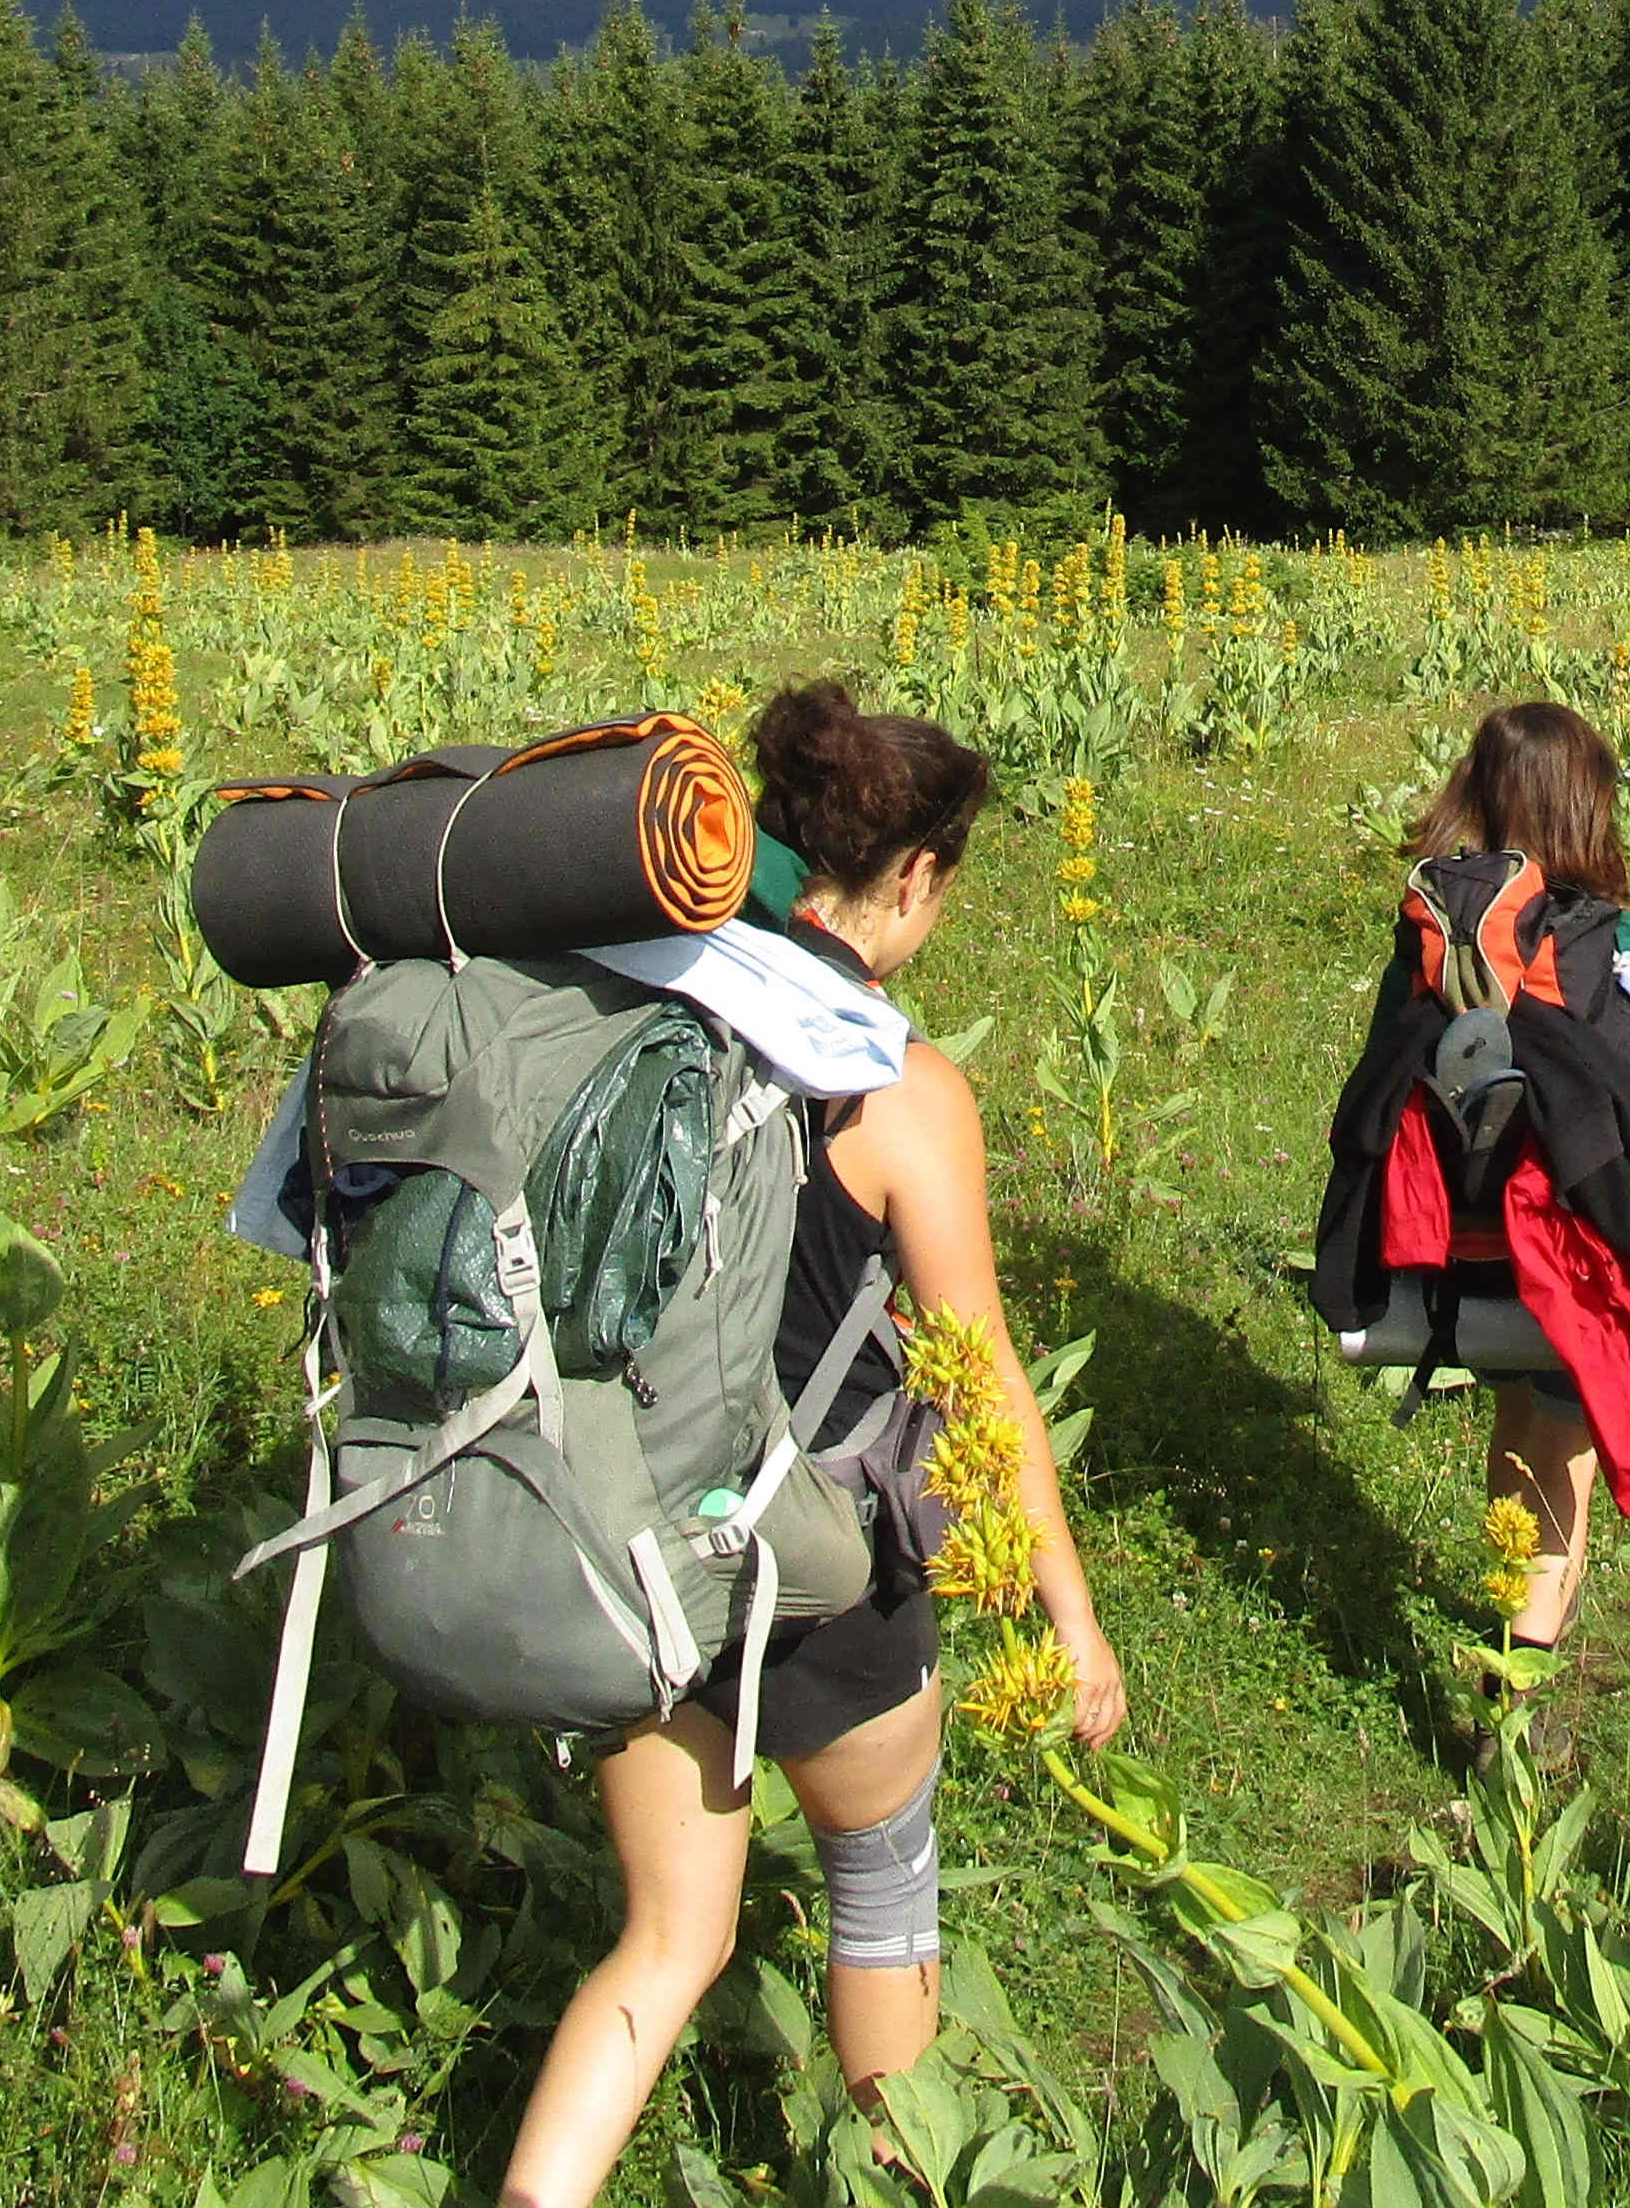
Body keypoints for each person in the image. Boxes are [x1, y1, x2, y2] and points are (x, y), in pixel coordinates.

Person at [501, 681, 1124, 2208]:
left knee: (667, 1937)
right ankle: (908, 2178)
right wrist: (1070, 1615)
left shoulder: (636, 1016)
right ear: (907, 880)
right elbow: (977, 1383)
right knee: (878, 1886)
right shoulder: (903, 1090)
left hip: (631, 1549)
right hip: (815, 1571)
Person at [1387, 701, 1630, 1662]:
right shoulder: (1619, 935)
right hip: (1574, 1249)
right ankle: (1517, 1677)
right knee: (1563, 1443)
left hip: (1462, 1247)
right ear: (1589, 808)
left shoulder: (1436, 926)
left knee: (1518, 1421)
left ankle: (1506, 1600)